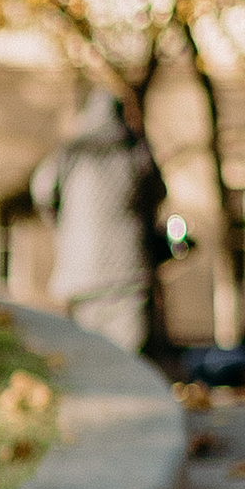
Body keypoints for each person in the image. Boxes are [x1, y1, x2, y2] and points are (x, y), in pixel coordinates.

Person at [34, 94, 163, 356]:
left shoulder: (69, 153)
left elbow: (42, 190)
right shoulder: (134, 151)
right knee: (127, 357)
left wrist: (62, 226)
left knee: (88, 353)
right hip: (127, 272)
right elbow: (157, 193)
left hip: (80, 272)